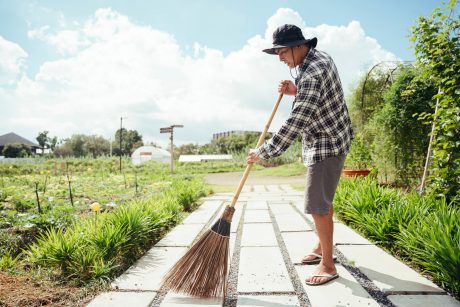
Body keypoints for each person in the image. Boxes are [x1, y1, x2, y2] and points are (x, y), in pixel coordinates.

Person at [246, 24, 353, 286]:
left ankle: (328, 264)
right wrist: (296, 89)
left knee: (317, 204)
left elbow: (297, 120)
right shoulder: (317, 58)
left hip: (325, 143)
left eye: (281, 52)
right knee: (323, 199)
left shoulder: (311, 73)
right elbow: (317, 95)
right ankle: (321, 246)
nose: (280, 58)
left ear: (297, 46)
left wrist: (264, 152)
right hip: (335, 134)